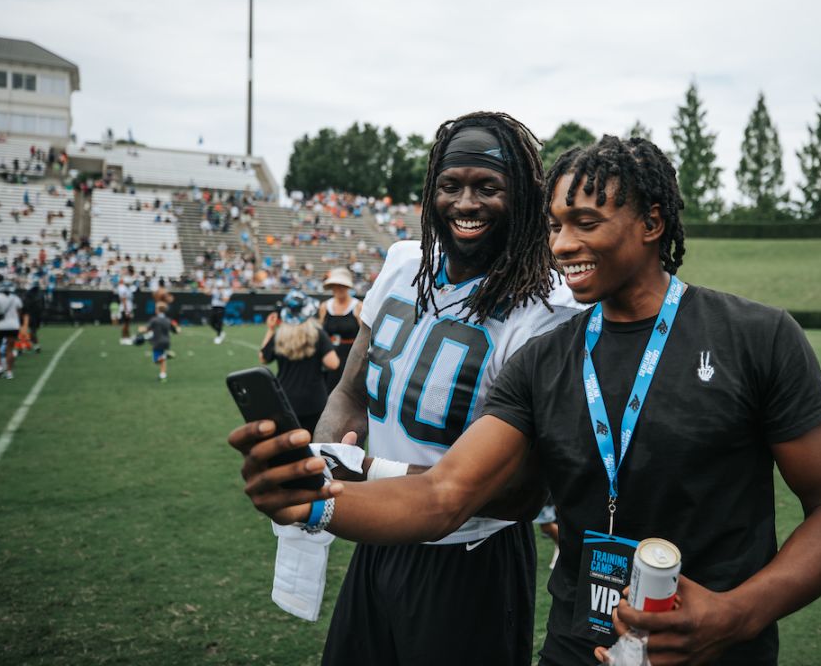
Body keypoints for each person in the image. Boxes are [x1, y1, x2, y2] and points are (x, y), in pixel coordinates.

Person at [231, 135, 821, 666]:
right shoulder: (545, 356)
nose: (561, 246)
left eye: (585, 224)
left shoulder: (755, 336)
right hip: (572, 647)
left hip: (715, 651)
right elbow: (445, 495)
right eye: (556, 225)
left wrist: (735, 614)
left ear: (652, 222)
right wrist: (310, 502)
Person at [233, 112, 584, 665]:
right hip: (379, 538)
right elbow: (350, 391)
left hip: (471, 557)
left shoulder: (550, 310)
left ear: (523, 197)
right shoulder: (403, 264)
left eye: (487, 187)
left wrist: (372, 474)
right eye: (451, 185)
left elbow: (523, 493)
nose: (465, 203)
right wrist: (327, 459)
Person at [260, 289, 342, 432]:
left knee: (291, 445)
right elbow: (333, 363)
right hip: (314, 400)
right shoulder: (318, 335)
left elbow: (264, 358)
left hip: (285, 399)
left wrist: (271, 329)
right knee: (314, 446)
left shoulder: (280, 335)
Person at [316, 267, 362, 396]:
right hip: (329, 356)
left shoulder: (358, 307)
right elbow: (320, 332)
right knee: (328, 392)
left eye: (341, 285)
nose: (338, 288)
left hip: (351, 358)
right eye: (335, 285)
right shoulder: (325, 307)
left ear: (348, 287)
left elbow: (364, 336)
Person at [0, 280, 25, 380]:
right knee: (10, 349)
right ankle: (9, 372)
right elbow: (19, 312)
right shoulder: (16, 298)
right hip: (13, 326)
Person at [143, 302, 180, 381]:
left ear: (157, 310)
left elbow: (146, 329)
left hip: (157, 342)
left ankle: (165, 356)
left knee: (156, 360)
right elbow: (176, 331)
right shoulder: (168, 320)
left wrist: (141, 330)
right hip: (166, 342)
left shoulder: (154, 320)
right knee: (162, 360)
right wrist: (177, 329)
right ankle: (163, 376)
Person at [22, 280, 45, 353]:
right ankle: (33, 346)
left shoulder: (37, 294)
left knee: (31, 331)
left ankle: (29, 345)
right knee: (29, 331)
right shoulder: (37, 294)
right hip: (31, 315)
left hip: (33, 315)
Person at [207, 277, 232, 344]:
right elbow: (207, 293)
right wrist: (212, 286)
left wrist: (222, 292)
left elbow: (226, 300)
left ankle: (219, 336)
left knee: (219, 322)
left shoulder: (227, 290)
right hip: (214, 307)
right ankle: (221, 332)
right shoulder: (214, 290)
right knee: (210, 322)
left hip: (221, 307)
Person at [116, 268, 136, 345]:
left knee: (127, 323)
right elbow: (124, 300)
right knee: (125, 323)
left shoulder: (127, 288)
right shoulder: (123, 288)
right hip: (125, 308)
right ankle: (124, 338)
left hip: (128, 308)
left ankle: (127, 337)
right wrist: (126, 311)